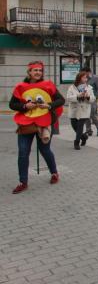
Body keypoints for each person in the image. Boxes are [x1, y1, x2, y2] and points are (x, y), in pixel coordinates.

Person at [9, 61, 64, 194]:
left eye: (40, 70)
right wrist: (24, 106)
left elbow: (61, 100)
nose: (38, 72)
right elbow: (12, 104)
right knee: (23, 152)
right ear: (29, 72)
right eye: (35, 70)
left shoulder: (48, 85)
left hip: (44, 122)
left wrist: (49, 105)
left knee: (45, 150)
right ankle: (23, 182)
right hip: (26, 123)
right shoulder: (20, 87)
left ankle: (54, 173)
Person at [67, 71, 95, 150]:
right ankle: (84, 137)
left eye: (86, 78)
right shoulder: (72, 87)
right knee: (74, 126)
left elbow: (93, 99)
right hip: (74, 110)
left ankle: (76, 142)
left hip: (84, 110)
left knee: (80, 127)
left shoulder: (89, 88)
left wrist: (88, 97)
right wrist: (78, 96)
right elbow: (68, 98)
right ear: (79, 78)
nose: (85, 79)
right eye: (84, 77)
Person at [81, 66, 98, 137]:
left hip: (92, 99)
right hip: (85, 99)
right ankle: (88, 130)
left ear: (88, 72)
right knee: (86, 115)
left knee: (92, 114)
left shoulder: (95, 78)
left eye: (84, 73)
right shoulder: (84, 79)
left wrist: (95, 98)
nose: (83, 74)